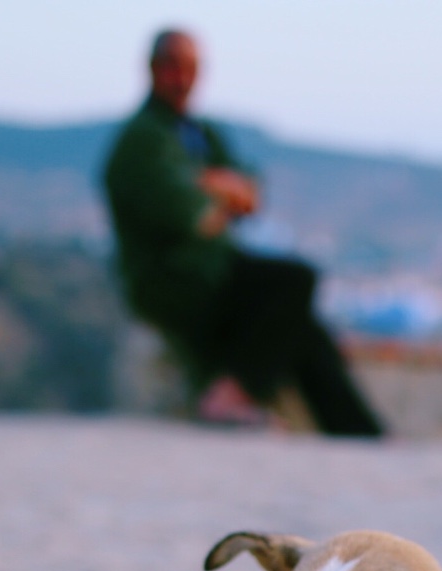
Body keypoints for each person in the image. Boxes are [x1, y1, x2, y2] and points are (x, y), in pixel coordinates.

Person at [102, 29, 382, 436]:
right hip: (177, 280)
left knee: (301, 326)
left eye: (191, 68)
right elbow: (193, 217)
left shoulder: (199, 133)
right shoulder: (142, 140)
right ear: (152, 69)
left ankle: (362, 435)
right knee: (295, 280)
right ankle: (228, 397)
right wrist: (220, 189)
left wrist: (205, 184)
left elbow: (250, 196)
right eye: (173, 66)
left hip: (212, 268)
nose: (182, 78)